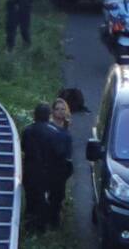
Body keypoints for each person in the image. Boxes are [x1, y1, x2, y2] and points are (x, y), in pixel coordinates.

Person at [20, 103, 56, 233]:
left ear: (34, 115)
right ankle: (41, 225)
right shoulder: (53, 132)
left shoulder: (27, 131)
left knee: (30, 198)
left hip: (30, 170)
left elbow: (24, 148)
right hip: (46, 172)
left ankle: (29, 223)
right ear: (48, 116)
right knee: (43, 197)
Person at [47, 98, 74, 228]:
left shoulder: (67, 128)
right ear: (53, 111)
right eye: (57, 109)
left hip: (63, 168)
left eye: (63, 109)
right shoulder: (49, 128)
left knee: (59, 196)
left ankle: (55, 220)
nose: (60, 112)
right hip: (50, 167)